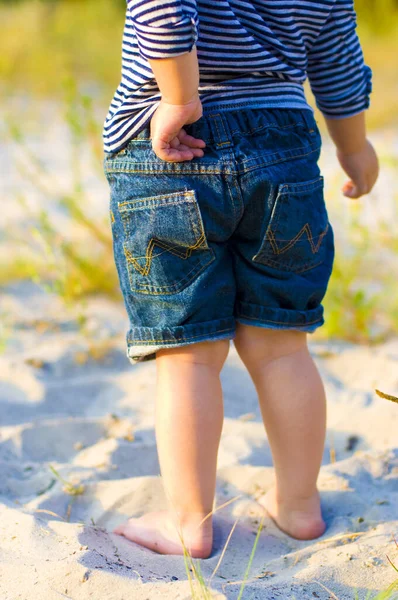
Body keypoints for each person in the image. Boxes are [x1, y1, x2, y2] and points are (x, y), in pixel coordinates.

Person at [103, 0, 379, 558]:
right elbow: (337, 60)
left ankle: (188, 521)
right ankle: (299, 505)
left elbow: (163, 9)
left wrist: (180, 96)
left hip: (172, 141)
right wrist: (355, 147)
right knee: (282, 346)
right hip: (283, 147)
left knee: (187, 350)